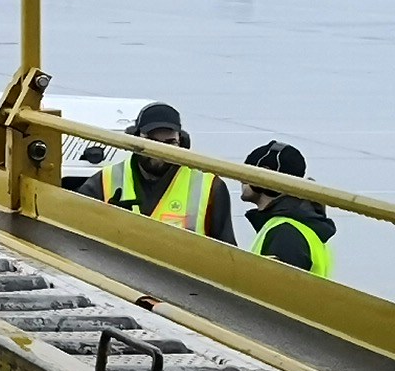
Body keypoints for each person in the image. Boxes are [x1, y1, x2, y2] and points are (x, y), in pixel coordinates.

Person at [92, 101, 235, 240]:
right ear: (134, 140)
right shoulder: (104, 181)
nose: (160, 152)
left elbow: (227, 251)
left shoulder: (210, 187)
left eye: (170, 143)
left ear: (182, 143)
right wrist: (106, 220)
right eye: (152, 142)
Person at [243, 140, 335, 277]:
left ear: (265, 176)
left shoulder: (285, 233)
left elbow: (275, 287)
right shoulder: (294, 223)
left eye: (246, 174)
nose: (241, 179)